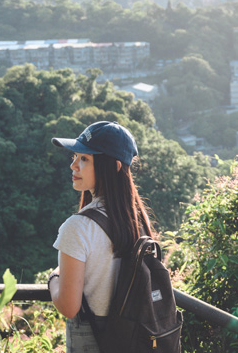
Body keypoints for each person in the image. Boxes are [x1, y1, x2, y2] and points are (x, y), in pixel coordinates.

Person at [47, 120, 156, 353]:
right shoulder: (138, 222)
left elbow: (68, 306)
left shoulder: (78, 228)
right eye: (75, 156)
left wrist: (53, 278)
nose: (73, 166)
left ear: (115, 166)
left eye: (85, 159)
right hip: (135, 338)